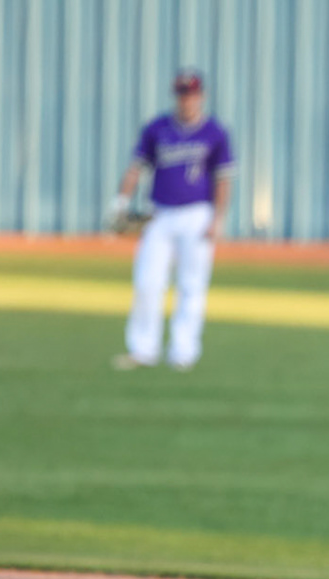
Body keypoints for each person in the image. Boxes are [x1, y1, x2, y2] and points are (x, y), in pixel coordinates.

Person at [108, 69, 234, 371]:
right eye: (181, 93)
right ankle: (142, 349)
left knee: (192, 285)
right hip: (161, 213)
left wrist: (218, 217)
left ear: (201, 96)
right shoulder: (158, 129)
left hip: (197, 214)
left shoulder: (214, 132)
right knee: (148, 282)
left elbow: (223, 179)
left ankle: (183, 352)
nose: (187, 99)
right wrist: (121, 201)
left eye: (191, 93)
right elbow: (136, 167)